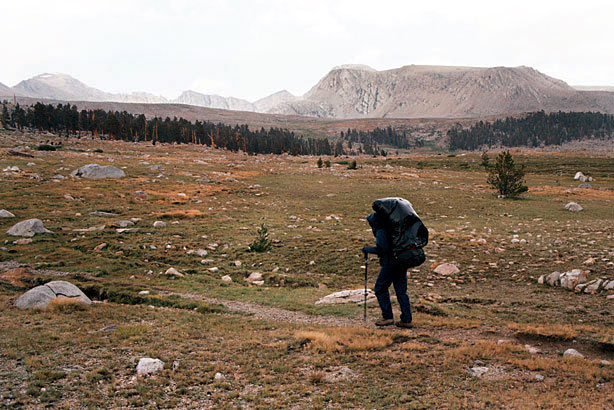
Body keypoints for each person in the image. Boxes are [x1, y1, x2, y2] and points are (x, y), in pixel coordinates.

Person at [362, 212, 413, 328]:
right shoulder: (394, 229)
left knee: (380, 288)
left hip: (390, 263)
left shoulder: (381, 230)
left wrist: (367, 249)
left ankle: (387, 317)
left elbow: (382, 249)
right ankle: (406, 319)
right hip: (401, 261)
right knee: (401, 291)